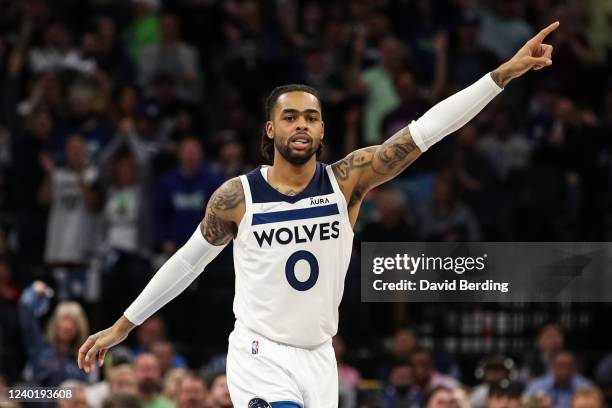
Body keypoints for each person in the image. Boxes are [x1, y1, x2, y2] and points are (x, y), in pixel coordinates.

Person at [78, 21, 560, 407]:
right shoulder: (236, 196)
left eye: (310, 116)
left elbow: (423, 133)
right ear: (270, 129)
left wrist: (502, 75)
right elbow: (188, 262)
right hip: (258, 353)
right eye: (290, 116)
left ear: (323, 127)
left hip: (320, 358)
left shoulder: (346, 180)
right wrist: (123, 326)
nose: (301, 124)